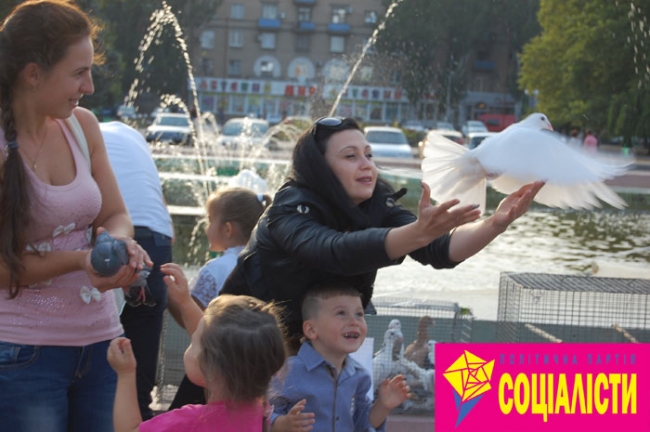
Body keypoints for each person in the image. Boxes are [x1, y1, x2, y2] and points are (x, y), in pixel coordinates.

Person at [221, 117, 544, 351]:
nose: (367, 165)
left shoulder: (377, 202)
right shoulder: (291, 208)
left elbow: (439, 250)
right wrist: (417, 232)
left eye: (369, 155)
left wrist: (495, 223)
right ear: (320, 168)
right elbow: (333, 251)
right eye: (351, 156)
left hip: (324, 343)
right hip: (248, 342)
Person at [0, 2, 151, 431]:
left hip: (102, 344)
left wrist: (118, 242)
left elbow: (116, 213)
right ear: (33, 74)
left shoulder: (81, 126)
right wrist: (81, 260)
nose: (89, 86)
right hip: (22, 353)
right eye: (78, 72)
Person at [107, 294, 287, 432]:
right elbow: (218, 345)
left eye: (193, 342)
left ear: (212, 368)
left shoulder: (190, 421)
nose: (190, 345)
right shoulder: (260, 411)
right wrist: (185, 302)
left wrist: (126, 374)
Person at [165, 186, 272, 409]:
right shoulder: (266, 265)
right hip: (252, 371)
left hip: (214, 371)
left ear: (227, 229)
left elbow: (194, 322)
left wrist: (168, 294)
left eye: (210, 220)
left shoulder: (215, 269)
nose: (206, 227)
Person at [100, 121, 174, 420]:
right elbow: (159, 202)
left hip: (109, 240)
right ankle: (140, 413)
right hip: (156, 238)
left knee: (96, 346)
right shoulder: (132, 137)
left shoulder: (73, 130)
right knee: (141, 342)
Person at [269, 282, 410, 432]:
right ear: (311, 329)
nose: (354, 322)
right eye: (341, 313)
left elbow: (361, 425)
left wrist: (383, 405)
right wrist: (282, 424)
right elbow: (263, 414)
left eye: (359, 314)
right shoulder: (289, 371)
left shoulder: (360, 376)